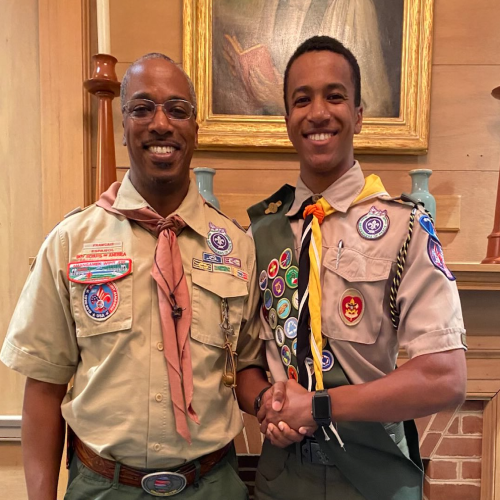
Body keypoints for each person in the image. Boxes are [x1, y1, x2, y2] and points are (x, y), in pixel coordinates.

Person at [0, 53, 269, 500]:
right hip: (103, 486)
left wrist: (271, 403)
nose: (160, 123)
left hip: (212, 485)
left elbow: (245, 366)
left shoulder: (238, 248)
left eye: (177, 110)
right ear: (124, 126)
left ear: (195, 130)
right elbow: (44, 387)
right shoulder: (71, 242)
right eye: (142, 108)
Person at [247, 36, 467, 500]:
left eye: (335, 96)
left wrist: (320, 407)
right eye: (301, 99)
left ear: (360, 114)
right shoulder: (261, 233)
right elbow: (245, 361)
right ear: (287, 119)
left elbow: (446, 378)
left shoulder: (405, 227)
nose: (318, 112)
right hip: (281, 478)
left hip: (371, 480)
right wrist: (269, 404)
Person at [215, 0, 393, 116]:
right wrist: (248, 75)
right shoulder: (274, 4)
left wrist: (280, 100)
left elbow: (376, 109)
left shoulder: (352, 5)